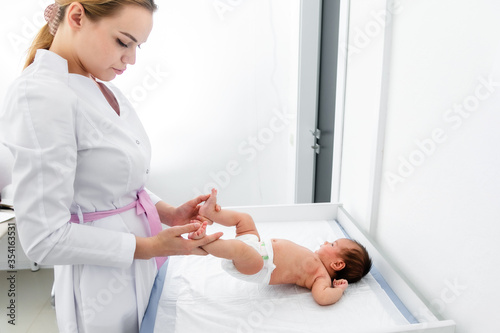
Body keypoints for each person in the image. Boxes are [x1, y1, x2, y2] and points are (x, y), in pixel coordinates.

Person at [0, 1, 223, 332]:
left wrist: (168, 214)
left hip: (137, 267)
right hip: (99, 288)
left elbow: (119, 182)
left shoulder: (101, 88)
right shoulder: (41, 95)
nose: (132, 58)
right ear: (76, 16)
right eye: (123, 41)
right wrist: (149, 247)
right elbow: (44, 238)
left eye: (138, 46)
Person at [189, 189, 372, 306]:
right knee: (245, 219)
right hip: (257, 247)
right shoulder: (315, 260)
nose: (325, 243)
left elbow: (322, 298)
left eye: (332, 244)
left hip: (258, 266)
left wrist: (338, 290)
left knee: (239, 249)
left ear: (338, 265)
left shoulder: (320, 277)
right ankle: (211, 213)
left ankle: (204, 241)